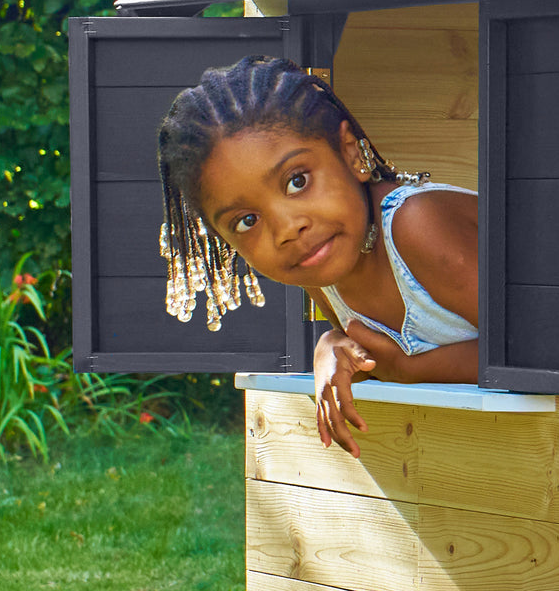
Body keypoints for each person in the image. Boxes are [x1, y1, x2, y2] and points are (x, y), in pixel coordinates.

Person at [157, 55, 478, 457]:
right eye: (246, 221)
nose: (287, 229)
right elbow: (368, 354)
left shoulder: (418, 227)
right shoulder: (321, 268)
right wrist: (330, 345)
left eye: (297, 181)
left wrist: (405, 369)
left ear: (351, 153)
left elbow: (537, 355)